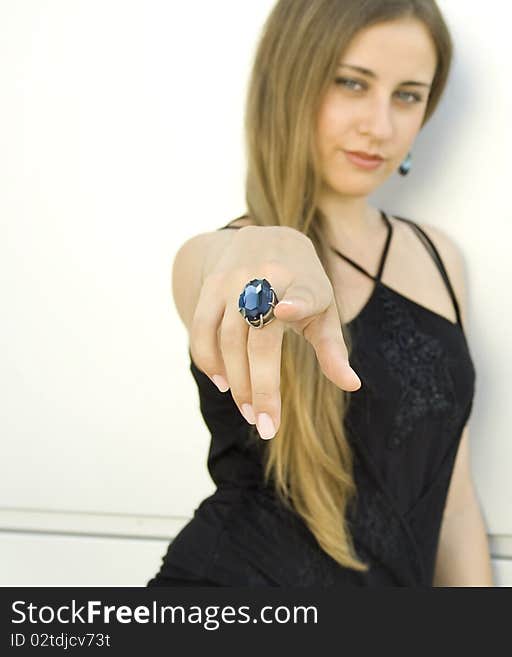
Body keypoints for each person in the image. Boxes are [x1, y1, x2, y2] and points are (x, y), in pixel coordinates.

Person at [146, 0, 493, 587]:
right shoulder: (218, 257)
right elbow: (221, 267)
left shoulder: (439, 260)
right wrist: (267, 251)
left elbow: (453, 503)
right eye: (352, 83)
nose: (380, 126)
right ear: (291, 83)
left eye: (407, 95)